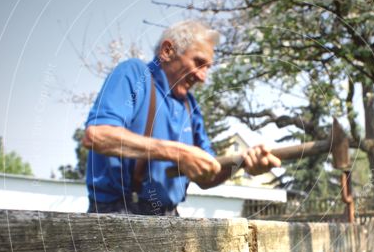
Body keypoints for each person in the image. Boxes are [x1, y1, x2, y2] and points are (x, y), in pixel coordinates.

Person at [83, 20, 281, 215]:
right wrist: (178, 153)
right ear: (167, 51)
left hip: (169, 217)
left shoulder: (190, 106)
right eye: (199, 63)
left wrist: (243, 163)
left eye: (207, 68)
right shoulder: (134, 74)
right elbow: (98, 136)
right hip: (118, 213)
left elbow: (206, 176)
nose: (203, 77)